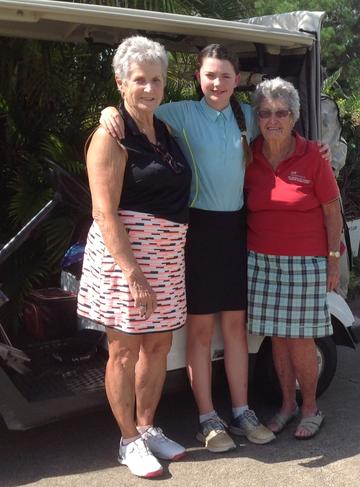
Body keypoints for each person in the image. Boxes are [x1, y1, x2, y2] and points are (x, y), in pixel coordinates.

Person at [100, 44, 275, 452]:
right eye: (210, 75)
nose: (217, 83)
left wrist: (317, 150)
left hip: (235, 229)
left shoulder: (247, 116)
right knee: (199, 329)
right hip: (195, 232)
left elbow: (283, 132)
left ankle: (242, 410)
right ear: (198, 77)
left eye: (226, 76)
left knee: (234, 326)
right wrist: (107, 112)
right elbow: (133, 108)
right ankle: (207, 419)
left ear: (237, 80)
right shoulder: (177, 112)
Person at [77, 36, 191, 478]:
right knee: (123, 351)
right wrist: (133, 274)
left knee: (159, 345)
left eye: (156, 80)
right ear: (121, 83)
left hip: (166, 257)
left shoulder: (164, 131)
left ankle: (146, 429)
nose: (149, 88)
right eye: (139, 80)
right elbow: (103, 211)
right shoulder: (111, 134)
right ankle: (127, 440)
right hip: (126, 259)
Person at [245, 78, 342, 440]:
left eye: (281, 113)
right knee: (278, 339)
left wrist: (333, 259)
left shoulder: (312, 157)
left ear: (294, 117)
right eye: (266, 112)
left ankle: (311, 407)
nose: (273, 120)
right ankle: (287, 405)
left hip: (305, 262)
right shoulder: (248, 154)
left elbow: (332, 210)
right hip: (261, 262)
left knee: (301, 339)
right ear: (257, 117)